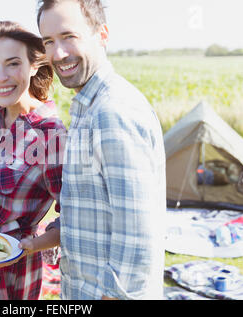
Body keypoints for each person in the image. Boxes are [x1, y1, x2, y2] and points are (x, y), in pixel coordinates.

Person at [37, 0, 167, 299]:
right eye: (49, 41)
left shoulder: (112, 112)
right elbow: (98, 208)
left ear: (102, 35)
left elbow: (137, 232)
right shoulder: (88, 107)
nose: (58, 54)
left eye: (69, 36)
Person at [0, 20, 66, 300]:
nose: (1, 77)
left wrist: (30, 245)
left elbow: (76, 217)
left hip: (9, 274)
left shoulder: (50, 135)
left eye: (13, 63)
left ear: (34, 64)